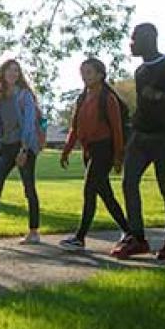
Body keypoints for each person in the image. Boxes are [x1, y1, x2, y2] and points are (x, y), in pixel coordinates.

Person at [111, 23, 165, 261]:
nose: (131, 43)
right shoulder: (140, 71)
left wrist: (163, 96)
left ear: (149, 39)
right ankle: (137, 237)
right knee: (129, 182)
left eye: (134, 39)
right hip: (140, 136)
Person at [58, 58, 130, 251]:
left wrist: (118, 157)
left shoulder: (108, 98)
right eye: (82, 72)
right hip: (89, 150)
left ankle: (79, 238)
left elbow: (117, 130)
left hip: (104, 149)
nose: (84, 76)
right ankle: (128, 230)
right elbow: (75, 127)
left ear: (100, 75)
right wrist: (66, 150)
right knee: (105, 193)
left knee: (89, 190)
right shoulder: (82, 98)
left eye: (89, 72)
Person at [0, 59, 43, 245]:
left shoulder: (24, 96)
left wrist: (24, 149)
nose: (13, 74)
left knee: (29, 188)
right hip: (5, 147)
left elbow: (28, 124)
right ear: (3, 74)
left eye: (16, 71)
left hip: (24, 146)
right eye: (9, 70)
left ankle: (34, 232)